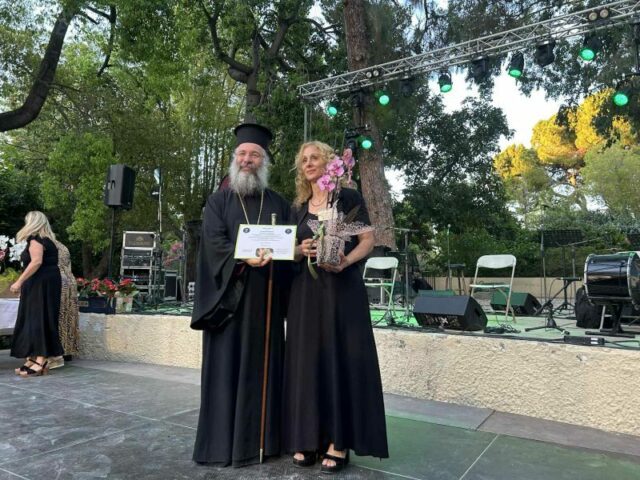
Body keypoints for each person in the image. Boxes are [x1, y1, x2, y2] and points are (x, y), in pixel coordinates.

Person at [283, 141, 389, 473]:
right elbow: (289, 249)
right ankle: (308, 436)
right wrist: (300, 249)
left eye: (314, 157)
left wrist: (346, 262)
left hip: (342, 291)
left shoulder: (348, 199)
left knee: (340, 359)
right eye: (303, 160)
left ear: (329, 163)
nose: (308, 163)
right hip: (305, 293)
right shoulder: (298, 208)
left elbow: (367, 240)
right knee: (308, 362)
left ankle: (338, 442)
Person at [191, 123, 291, 467]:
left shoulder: (278, 202)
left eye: (255, 155)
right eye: (242, 154)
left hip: (265, 302)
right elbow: (213, 243)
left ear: (265, 162)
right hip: (228, 302)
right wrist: (243, 257)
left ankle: (266, 443)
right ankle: (220, 447)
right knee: (225, 372)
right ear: (235, 159)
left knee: (263, 370)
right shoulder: (218, 201)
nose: (248, 159)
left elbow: (289, 245)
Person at [9, 211, 64, 376]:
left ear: (32, 223)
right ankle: (34, 357)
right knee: (38, 318)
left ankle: (41, 359)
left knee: (39, 319)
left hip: (41, 283)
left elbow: (36, 262)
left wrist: (19, 282)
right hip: (44, 282)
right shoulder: (48, 241)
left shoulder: (36, 239)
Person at [49, 239, 80, 368]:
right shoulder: (62, 246)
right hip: (69, 280)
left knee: (58, 316)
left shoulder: (45, 245)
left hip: (56, 281)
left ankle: (56, 353)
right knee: (69, 316)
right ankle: (67, 351)